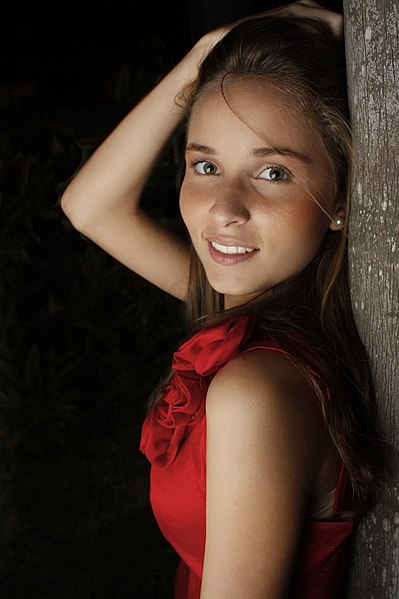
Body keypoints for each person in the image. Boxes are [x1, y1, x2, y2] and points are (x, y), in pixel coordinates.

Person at [61, 1, 384, 597]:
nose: (224, 210)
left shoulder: (255, 391)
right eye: (205, 164)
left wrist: (208, 53)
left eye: (273, 173)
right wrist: (209, 53)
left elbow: (89, 209)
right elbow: (89, 208)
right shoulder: (255, 315)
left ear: (340, 200)